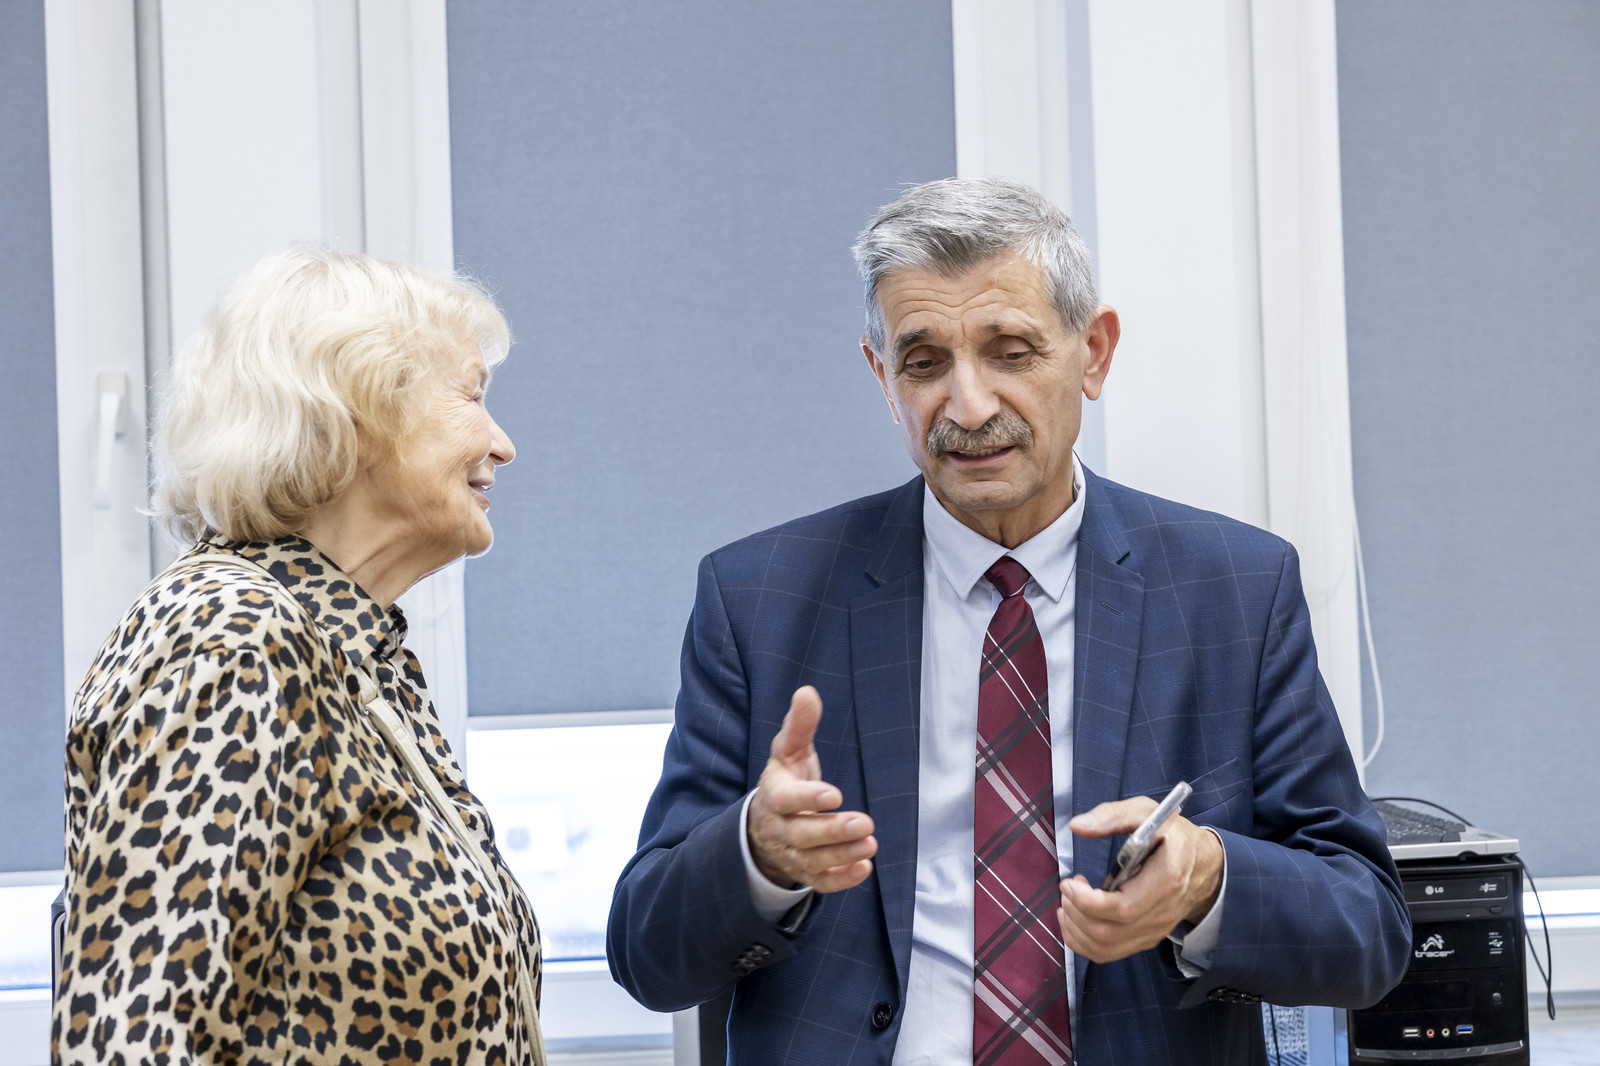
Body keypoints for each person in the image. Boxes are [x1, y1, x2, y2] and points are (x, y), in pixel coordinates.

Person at [608, 179, 1411, 1064]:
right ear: (883, 379)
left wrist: (1207, 877)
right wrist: (755, 856)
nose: (970, 406)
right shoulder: (758, 599)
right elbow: (647, 956)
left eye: (1011, 352)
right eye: (924, 363)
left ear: (1094, 353)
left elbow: (1368, 932)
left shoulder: (1234, 589)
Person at [52, 249, 547, 1065]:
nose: (503, 445)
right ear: (357, 411)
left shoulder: (353, 651)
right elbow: (135, 1037)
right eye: (471, 396)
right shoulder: (231, 637)